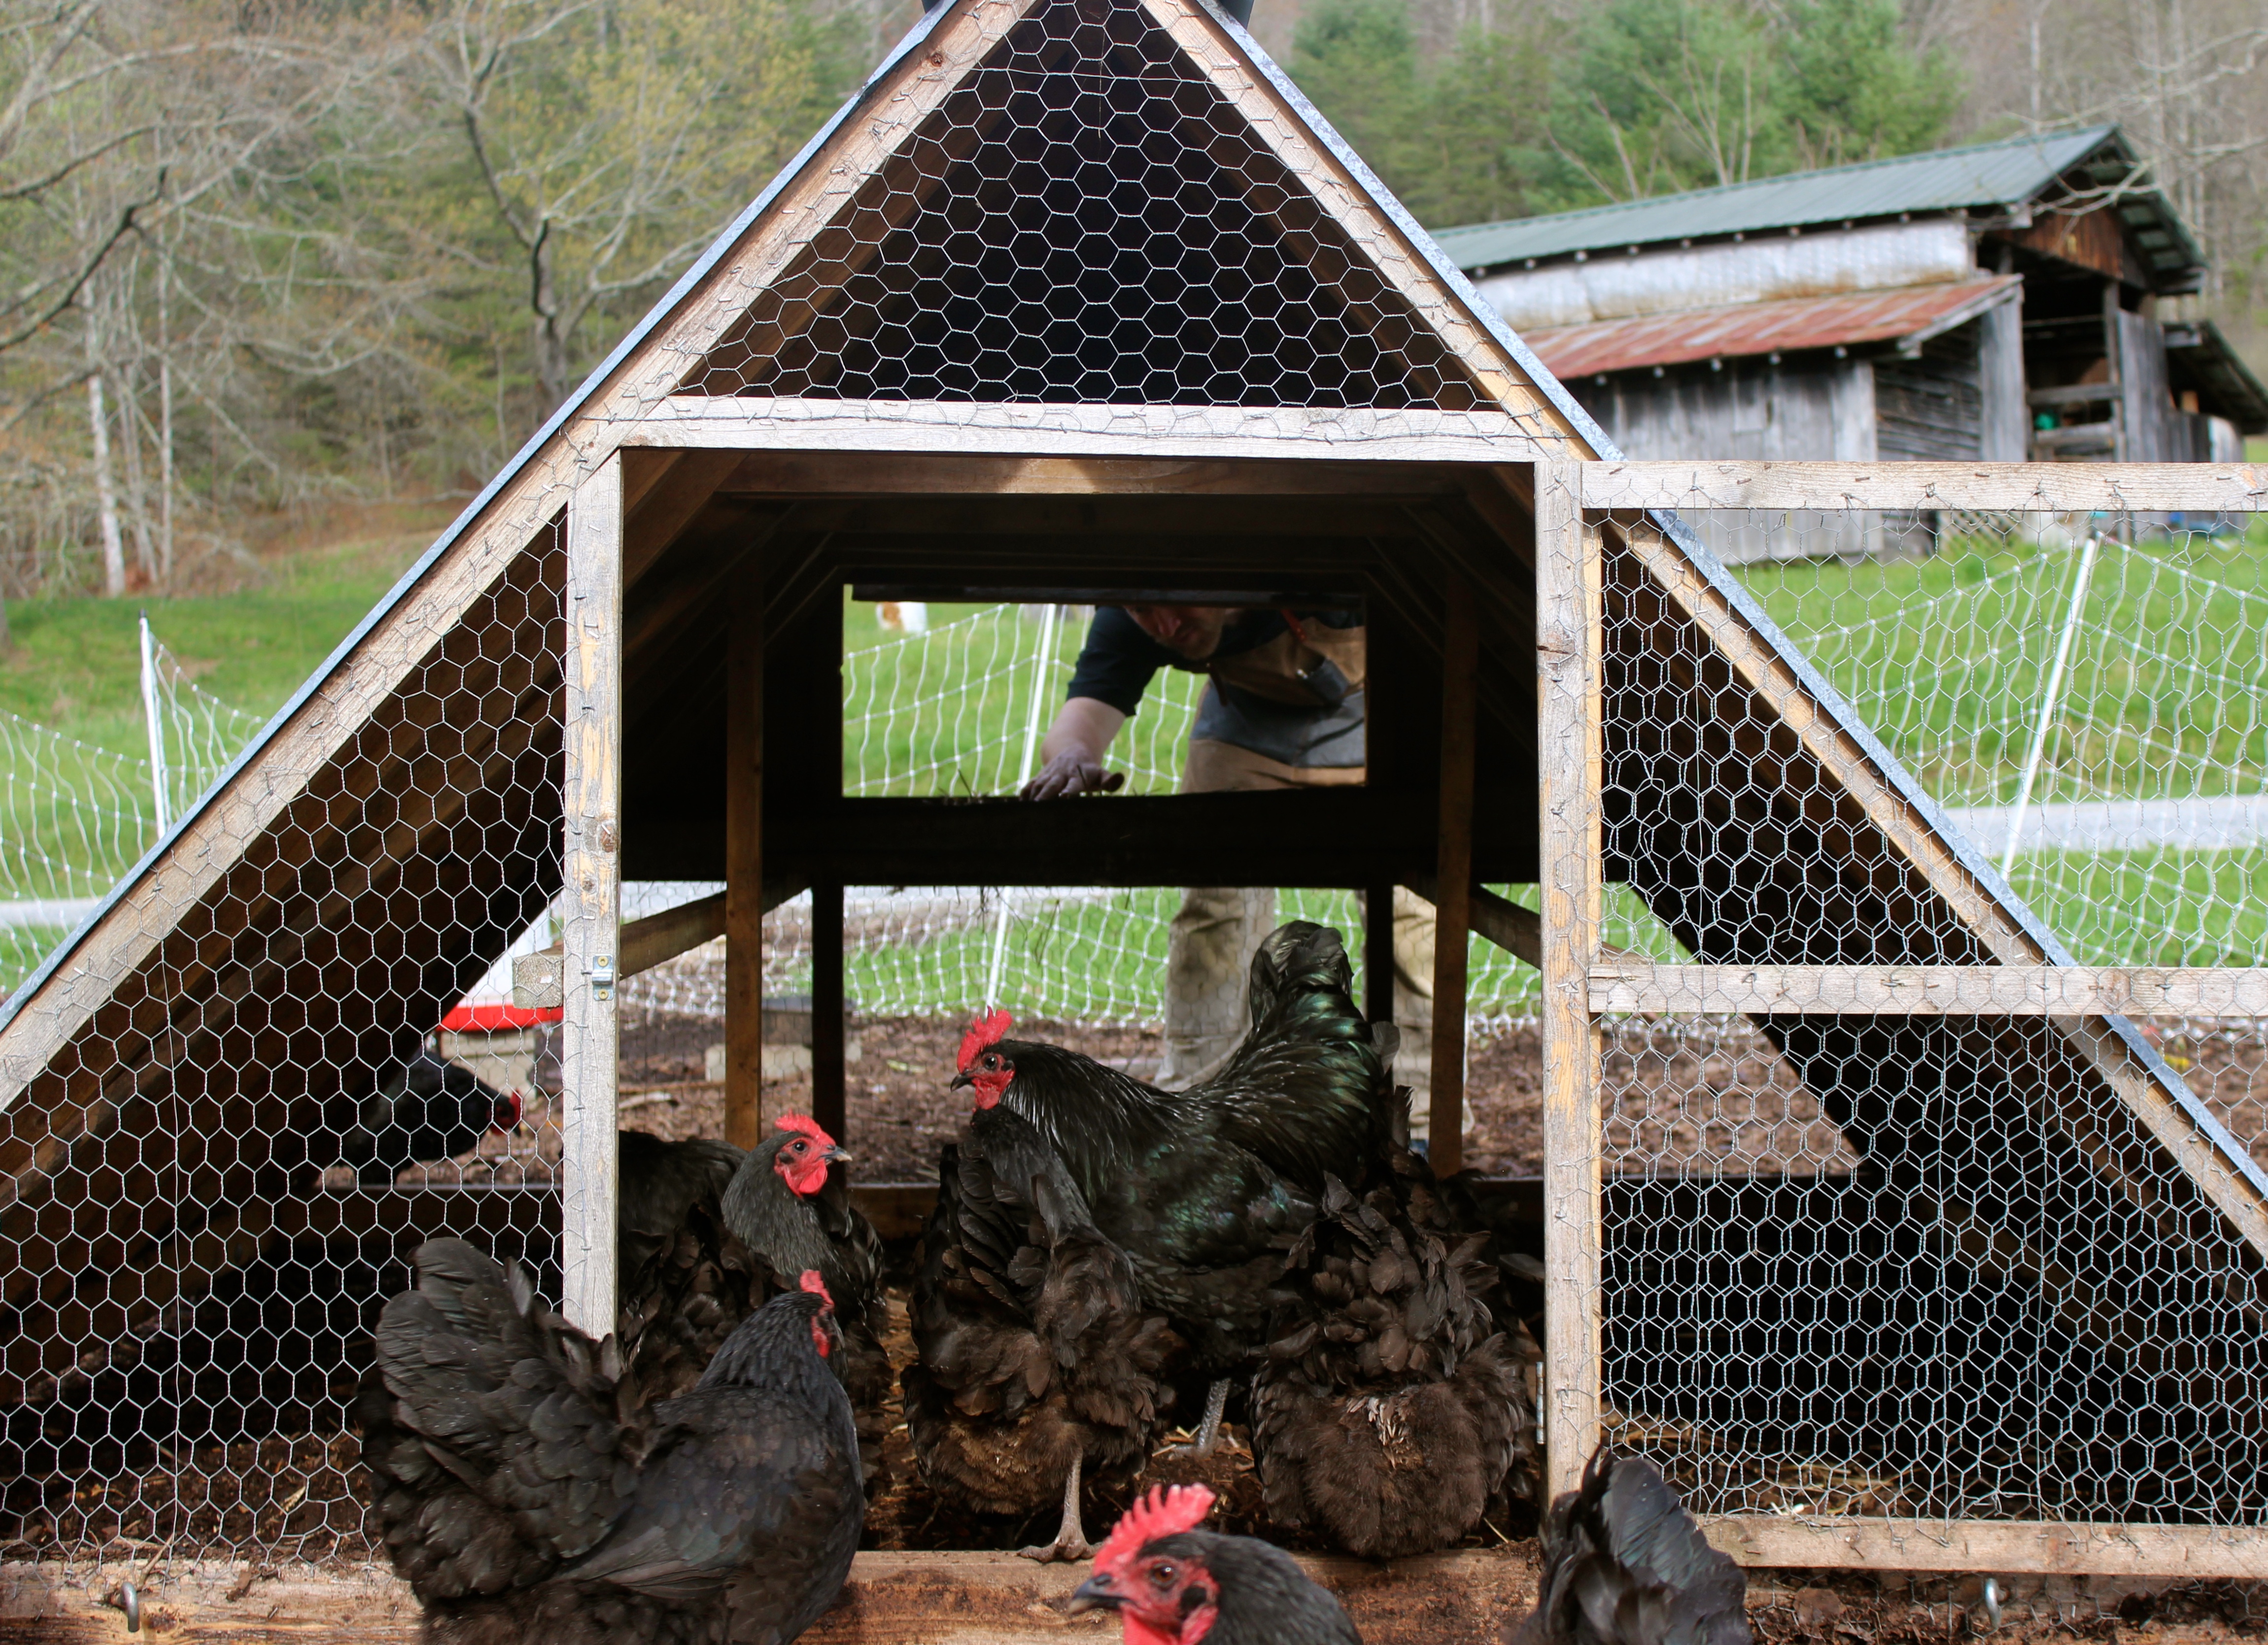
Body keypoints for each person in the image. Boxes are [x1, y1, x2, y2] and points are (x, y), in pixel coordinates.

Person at [1021, 603, 1438, 1123]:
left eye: (1178, 603)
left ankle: (1417, 1115)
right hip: (1242, 732)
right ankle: (1203, 1111)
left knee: (1414, 913)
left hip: (1378, 724)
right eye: (1144, 612)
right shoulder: (1137, 604)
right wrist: (1073, 754)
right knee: (1214, 911)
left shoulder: (1329, 581)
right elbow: (1085, 711)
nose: (1165, 625)